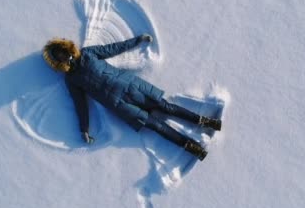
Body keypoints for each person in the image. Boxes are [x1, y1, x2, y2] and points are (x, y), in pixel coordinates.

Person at [41, 34, 221, 161]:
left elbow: (113, 48)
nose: (65, 57)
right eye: (59, 57)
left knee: (166, 107)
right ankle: (192, 147)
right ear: (58, 63)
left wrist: (138, 40)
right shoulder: (71, 79)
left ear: (66, 47)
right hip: (120, 105)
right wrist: (84, 129)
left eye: (62, 51)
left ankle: (205, 121)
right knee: (156, 126)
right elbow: (80, 104)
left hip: (131, 86)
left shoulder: (88, 53)